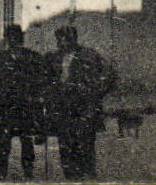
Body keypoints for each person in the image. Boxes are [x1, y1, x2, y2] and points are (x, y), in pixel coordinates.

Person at [44, 25, 116, 181]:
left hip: (85, 108)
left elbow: (109, 75)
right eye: (58, 40)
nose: (59, 43)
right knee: (66, 146)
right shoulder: (54, 58)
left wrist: (95, 92)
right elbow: (45, 80)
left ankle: (88, 176)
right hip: (63, 108)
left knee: (85, 145)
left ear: (72, 40)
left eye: (62, 40)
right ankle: (71, 178)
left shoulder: (89, 56)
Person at [0, 25, 46, 180]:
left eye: (16, 37)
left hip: (26, 106)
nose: (13, 40)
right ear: (7, 39)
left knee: (27, 141)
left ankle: (28, 171)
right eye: (10, 37)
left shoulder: (33, 57)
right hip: (5, 107)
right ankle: (0, 172)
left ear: (21, 38)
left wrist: (39, 97)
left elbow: (42, 80)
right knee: (3, 142)